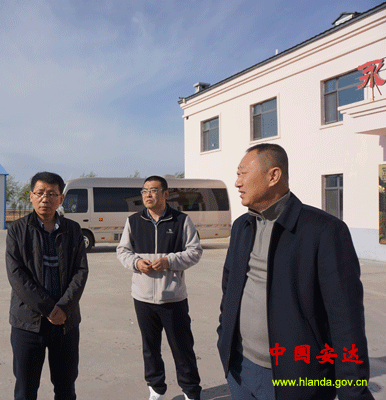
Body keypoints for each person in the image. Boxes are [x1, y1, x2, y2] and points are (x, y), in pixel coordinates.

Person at [217, 143, 374, 400]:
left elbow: (346, 320)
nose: (237, 183)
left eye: (243, 173)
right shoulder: (241, 227)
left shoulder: (324, 231)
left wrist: (353, 392)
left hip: (296, 377)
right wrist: (224, 336)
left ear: (273, 176)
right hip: (239, 369)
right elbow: (229, 287)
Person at [117, 175, 203, 400]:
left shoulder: (181, 220)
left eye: (153, 190)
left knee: (182, 348)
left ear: (165, 194)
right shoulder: (133, 221)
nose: (148, 194)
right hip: (143, 298)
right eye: (145, 190)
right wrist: (136, 263)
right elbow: (122, 251)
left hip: (173, 298)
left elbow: (195, 251)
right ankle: (156, 389)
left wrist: (169, 261)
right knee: (150, 348)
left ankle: (191, 392)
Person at [6, 171, 89, 400]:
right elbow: (16, 274)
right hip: (28, 323)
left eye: (52, 194)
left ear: (61, 199)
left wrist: (64, 307)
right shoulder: (17, 230)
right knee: (25, 390)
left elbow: (81, 271)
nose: (45, 199)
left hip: (65, 323)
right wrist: (48, 308)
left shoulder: (73, 230)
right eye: (40, 193)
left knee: (65, 388)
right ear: (31, 196)